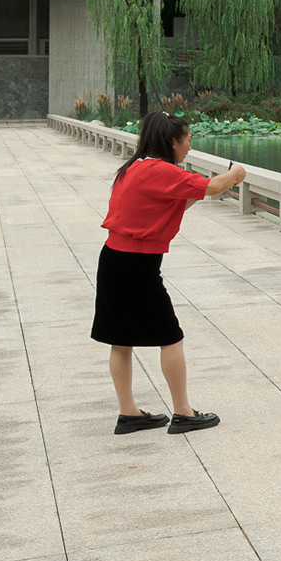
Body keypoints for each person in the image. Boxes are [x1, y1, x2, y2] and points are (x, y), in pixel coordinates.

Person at [93, 111, 245, 435]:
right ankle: (184, 412)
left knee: (121, 341)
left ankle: (129, 414)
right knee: (170, 336)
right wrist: (237, 172)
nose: (190, 145)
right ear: (172, 141)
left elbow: (169, 203)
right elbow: (215, 185)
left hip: (113, 260)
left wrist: (204, 192)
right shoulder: (162, 171)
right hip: (137, 266)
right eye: (188, 139)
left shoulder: (133, 168)